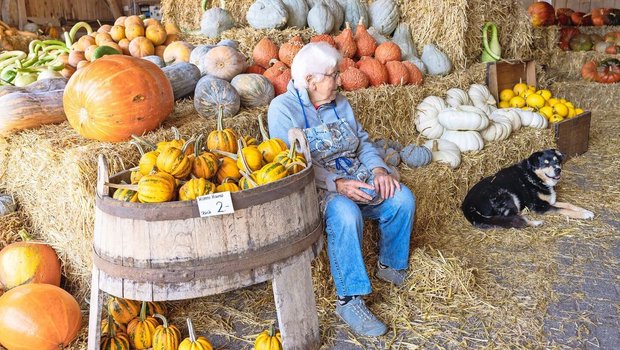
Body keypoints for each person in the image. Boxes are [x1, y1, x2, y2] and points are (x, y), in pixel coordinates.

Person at [267, 42, 416, 337]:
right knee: (346, 214)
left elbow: (362, 142)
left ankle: (391, 266)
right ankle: (349, 299)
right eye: (333, 76)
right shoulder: (282, 109)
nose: (340, 81)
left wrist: (378, 170)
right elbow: (292, 163)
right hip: (317, 188)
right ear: (310, 81)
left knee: (401, 198)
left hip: (356, 176)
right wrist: (337, 184)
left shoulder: (341, 104)